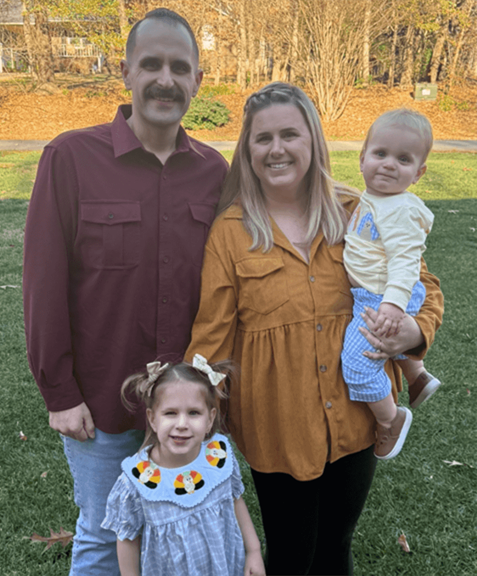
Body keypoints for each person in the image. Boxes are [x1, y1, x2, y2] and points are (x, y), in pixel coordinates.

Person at [186, 82, 442, 574]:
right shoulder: (231, 231)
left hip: (356, 417)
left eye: (290, 134)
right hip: (276, 423)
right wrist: (196, 414)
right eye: (263, 138)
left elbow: (423, 285)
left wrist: (413, 333)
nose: (277, 149)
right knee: (290, 551)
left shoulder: (358, 210)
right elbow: (212, 336)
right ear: (248, 149)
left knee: (335, 547)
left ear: (314, 141)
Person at [22, 8, 228, 576]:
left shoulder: (216, 172)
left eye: (180, 67)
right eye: (152, 64)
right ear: (126, 72)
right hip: (102, 401)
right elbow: (43, 284)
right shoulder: (69, 158)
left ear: (197, 81)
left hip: (187, 407)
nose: (166, 78)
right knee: (102, 534)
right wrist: (59, 393)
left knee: (182, 524)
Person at [101, 356, 265, 576]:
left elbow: (235, 501)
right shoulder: (137, 482)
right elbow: (127, 539)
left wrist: (253, 551)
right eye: (170, 413)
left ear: (210, 419)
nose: (182, 425)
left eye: (194, 413)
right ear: (152, 419)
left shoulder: (218, 457)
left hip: (225, 567)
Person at [341, 108, 441, 460]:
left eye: (403, 159)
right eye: (380, 154)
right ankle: (416, 374)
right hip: (373, 292)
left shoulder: (400, 210)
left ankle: (390, 419)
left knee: (356, 363)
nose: (388, 164)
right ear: (362, 158)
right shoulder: (374, 198)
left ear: (418, 173)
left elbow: (405, 263)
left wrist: (393, 306)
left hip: (382, 296)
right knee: (384, 345)